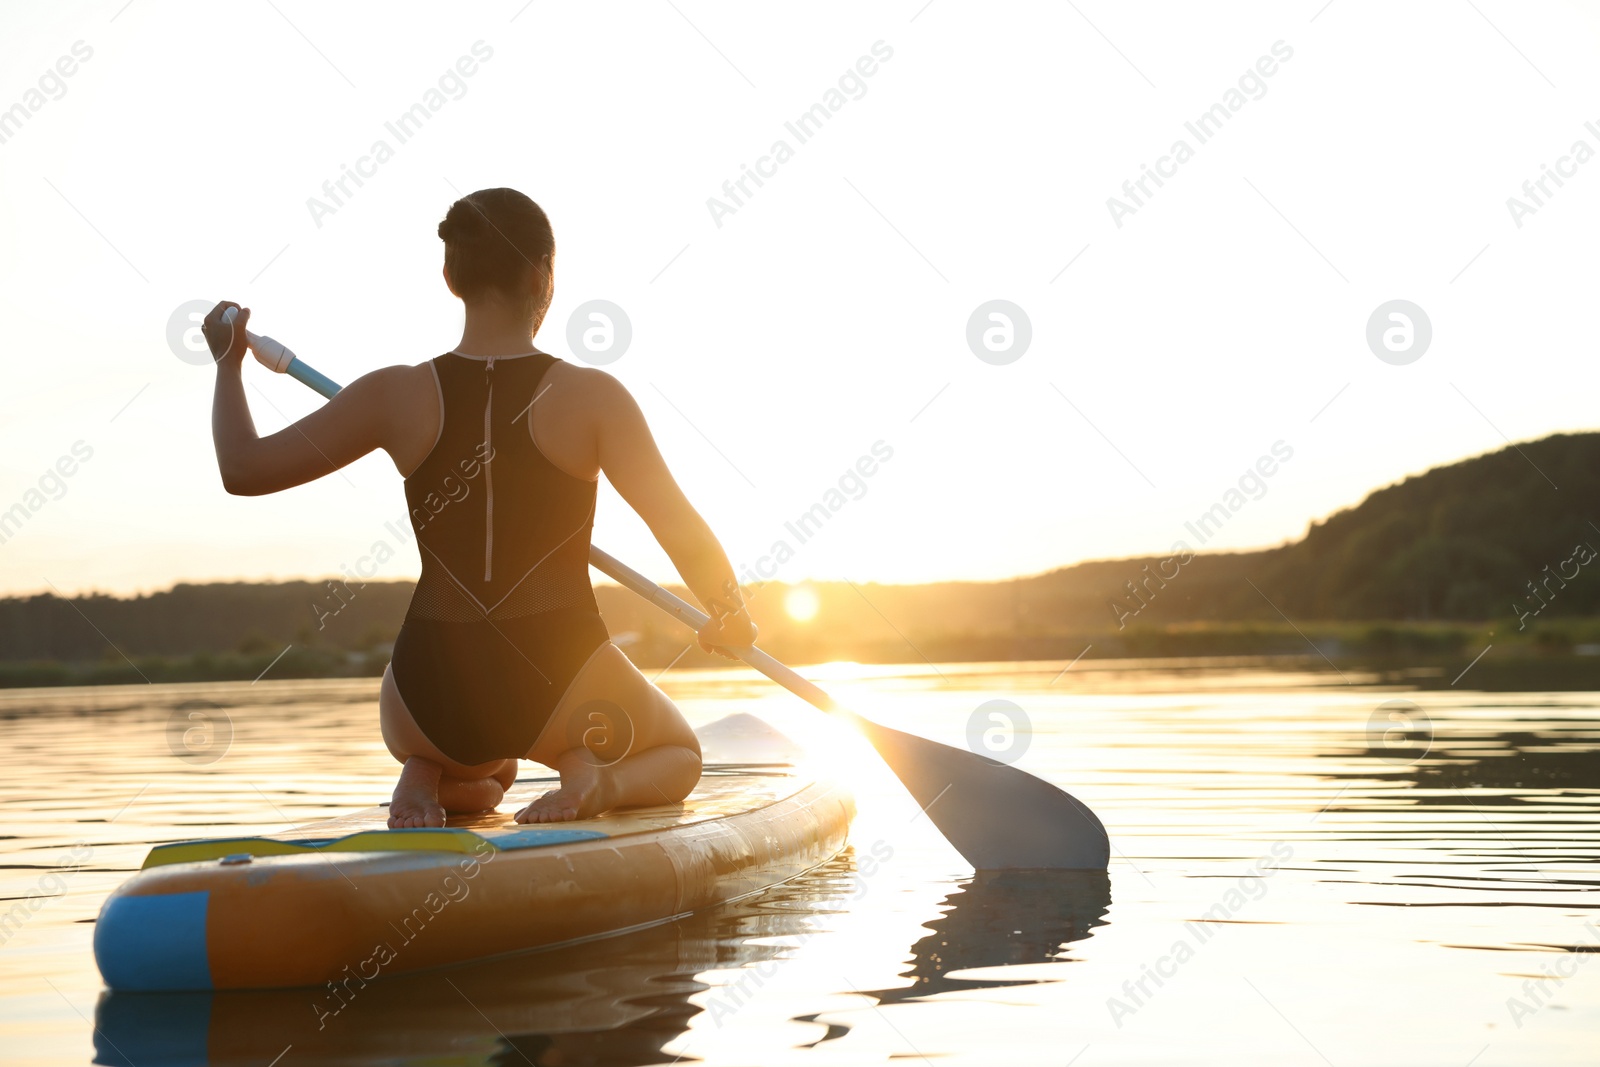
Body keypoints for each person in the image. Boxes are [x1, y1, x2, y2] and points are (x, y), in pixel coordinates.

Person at [205, 187, 755, 829]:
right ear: (544, 276)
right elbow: (676, 523)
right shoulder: (593, 397)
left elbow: (242, 470)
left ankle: (426, 774)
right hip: (559, 678)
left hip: (425, 693)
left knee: (493, 773)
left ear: (450, 277)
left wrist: (227, 364)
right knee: (679, 754)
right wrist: (728, 608)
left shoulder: (394, 393)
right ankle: (592, 782)